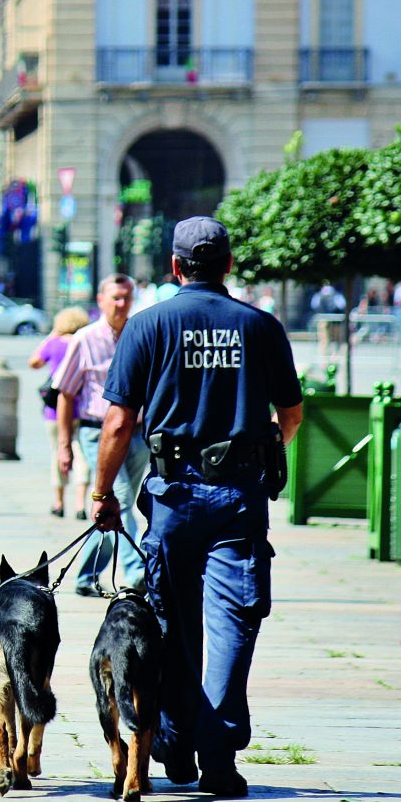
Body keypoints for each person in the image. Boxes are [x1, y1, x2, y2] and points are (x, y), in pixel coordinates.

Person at [91, 216, 304, 797]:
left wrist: (102, 494)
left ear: (176, 267)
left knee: (170, 626)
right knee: (234, 623)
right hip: (239, 497)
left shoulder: (147, 325)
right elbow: (291, 414)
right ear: (229, 265)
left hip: (171, 496)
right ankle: (220, 756)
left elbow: (117, 422)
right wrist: (259, 457)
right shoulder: (260, 327)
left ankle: (175, 747)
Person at [52, 273, 148, 596]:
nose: (122, 304)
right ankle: (138, 572)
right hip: (98, 433)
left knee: (113, 507)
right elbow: (65, 393)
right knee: (116, 497)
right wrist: (64, 445)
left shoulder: (141, 334)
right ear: (101, 301)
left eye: (127, 298)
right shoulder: (85, 339)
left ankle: (85, 577)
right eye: (115, 298)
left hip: (137, 434)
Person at [28, 306, 90, 518]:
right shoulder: (84, 343)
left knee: (57, 452)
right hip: (82, 407)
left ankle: (58, 502)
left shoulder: (54, 344)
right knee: (82, 454)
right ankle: (81, 504)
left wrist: (51, 335)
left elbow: (34, 362)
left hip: (55, 409)